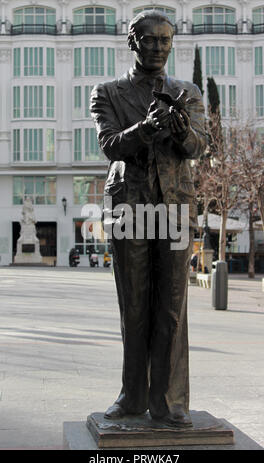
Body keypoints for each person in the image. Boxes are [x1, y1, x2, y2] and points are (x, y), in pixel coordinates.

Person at [90, 10, 206, 428]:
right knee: (135, 306)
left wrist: (178, 131)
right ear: (133, 42)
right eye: (149, 40)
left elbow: (197, 148)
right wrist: (146, 127)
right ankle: (132, 395)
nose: (158, 47)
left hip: (175, 206)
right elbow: (110, 146)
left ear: (172, 43)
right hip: (128, 207)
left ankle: (172, 400)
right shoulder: (108, 92)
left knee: (172, 306)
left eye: (165, 40)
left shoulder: (188, 92)